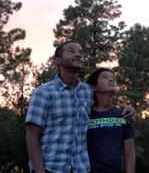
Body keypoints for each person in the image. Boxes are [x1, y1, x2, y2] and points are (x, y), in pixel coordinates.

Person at [25, 40, 135, 173]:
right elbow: (32, 135)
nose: (78, 55)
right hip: (51, 168)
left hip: (81, 168)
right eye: (72, 51)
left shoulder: (87, 91)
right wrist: (39, 171)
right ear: (58, 60)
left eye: (80, 53)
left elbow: (105, 104)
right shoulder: (43, 92)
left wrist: (127, 108)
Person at [86, 67, 135, 173]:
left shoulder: (124, 115)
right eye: (105, 77)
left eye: (113, 78)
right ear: (94, 87)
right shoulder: (85, 115)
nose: (111, 80)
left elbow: (129, 153)